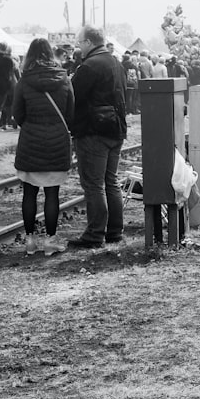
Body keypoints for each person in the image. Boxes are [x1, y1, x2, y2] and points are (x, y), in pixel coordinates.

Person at [13, 38, 75, 256]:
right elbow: (70, 113)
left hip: (31, 140)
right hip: (56, 141)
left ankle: (30, 241)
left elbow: (17, 113)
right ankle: (50, 241)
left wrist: (30, 126)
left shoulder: (24, 80)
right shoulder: (64, 79)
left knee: (29, 193)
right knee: (52, 194)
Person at [68, 26, 127, 249]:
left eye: (80, 42)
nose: (79, 47)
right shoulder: (116, 63)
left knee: (94, 184)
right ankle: (114, 232)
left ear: (90, 43)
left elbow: (73, 96)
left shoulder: (90, 66)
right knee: (111, 182)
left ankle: (94, 234)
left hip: (94, 130)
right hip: (115, 129)